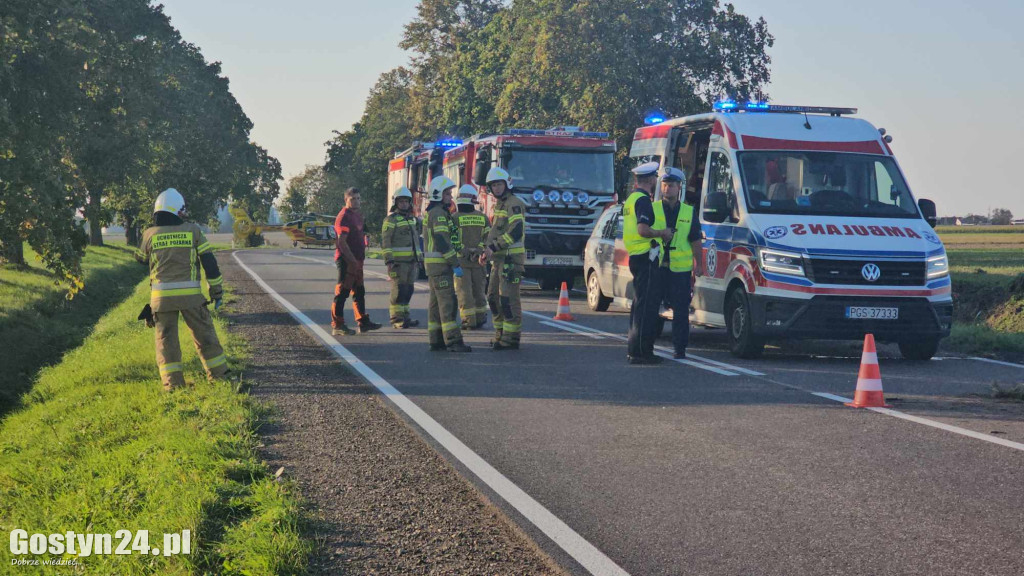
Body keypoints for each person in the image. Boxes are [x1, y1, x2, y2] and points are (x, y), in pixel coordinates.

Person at [134, 188, 229, 391]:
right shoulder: (193, 231)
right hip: (192, 299)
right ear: (177, 211)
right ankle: (219, 377)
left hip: (161, 300)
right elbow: (210, 264)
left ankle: (172, 386)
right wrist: (216, 292)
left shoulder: (149, 234)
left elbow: (140, 260)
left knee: (166, 342)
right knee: (205, 336)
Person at [622, 161, 675, 365]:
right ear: (652, 179)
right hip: (646, 257)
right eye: (655, 178)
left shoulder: (631, 199)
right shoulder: (643, 201)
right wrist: (662, 233)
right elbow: (643, 229)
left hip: (637, 256)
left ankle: (635, 349)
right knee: (647, 307)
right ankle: (642, 352)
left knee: (639, 305)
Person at [653, 167, 703, 359]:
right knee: (652, 307)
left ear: (679, 187)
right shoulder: (654, 208)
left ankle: (679, 348)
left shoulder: (689, 212)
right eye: (664, 185)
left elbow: (695, 240)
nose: (667, 189)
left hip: (680, 270)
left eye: (671, 185)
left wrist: (699, 264)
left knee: (681, 311)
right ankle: (647, 344)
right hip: (658, 267)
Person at [422, 176, 472, 352]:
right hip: (441, 266)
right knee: (448, 303)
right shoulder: (439, 214)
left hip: (434, 267)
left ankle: (436, 340)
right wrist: (454, 262)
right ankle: (454, 341)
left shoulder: (435, 212)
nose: (451, 198)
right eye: (448, 194)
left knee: (436, 305)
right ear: (438, 194)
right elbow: (442, 240)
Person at [479, 167, 526, 351]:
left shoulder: (514, 203)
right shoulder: (499, 205)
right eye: (493, 186)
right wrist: (485, 251)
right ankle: (500, 334)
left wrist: (494, 247)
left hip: (511, 261)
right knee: (492, 297)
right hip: (498, 261)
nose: (496, 188)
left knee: (508, 299)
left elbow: (516, 231)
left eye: (499, 184)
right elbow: (495, 232)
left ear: (507, 184)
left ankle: (511, 338)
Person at [332, 187, 382, 336]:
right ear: (346, 200)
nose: (356, 201)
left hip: (358, 260)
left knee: (359, 291)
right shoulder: (343, 216)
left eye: (358, 198)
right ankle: (338, 324)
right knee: (342, 292)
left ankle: (363, 322)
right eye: (353, 198)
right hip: (347, 260)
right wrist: (352, 260)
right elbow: (341, 242)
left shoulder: (357, 216)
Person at [381, 187, 421, 328]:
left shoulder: (412, 220)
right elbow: (386, 242)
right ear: (396, 203)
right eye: (401, 201)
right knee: (398, 291)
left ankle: (405, 317)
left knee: (408, 290)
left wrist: (418, 259)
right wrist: (389, 260)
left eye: (406, 201)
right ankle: (396, 319)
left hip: (411, 262)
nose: (404, 204)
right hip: (397, 263)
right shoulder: (390, 220)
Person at [454, 185, 490, 330]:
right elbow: (488, 238)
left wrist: (464, 251)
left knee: (464, 292)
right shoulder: (483, 218)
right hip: (480, 261)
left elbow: (452, 239)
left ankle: (469, 321)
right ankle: (480, 318)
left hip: (460, 262)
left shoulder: (454, 218)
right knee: (479, 291)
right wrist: (479, 250)